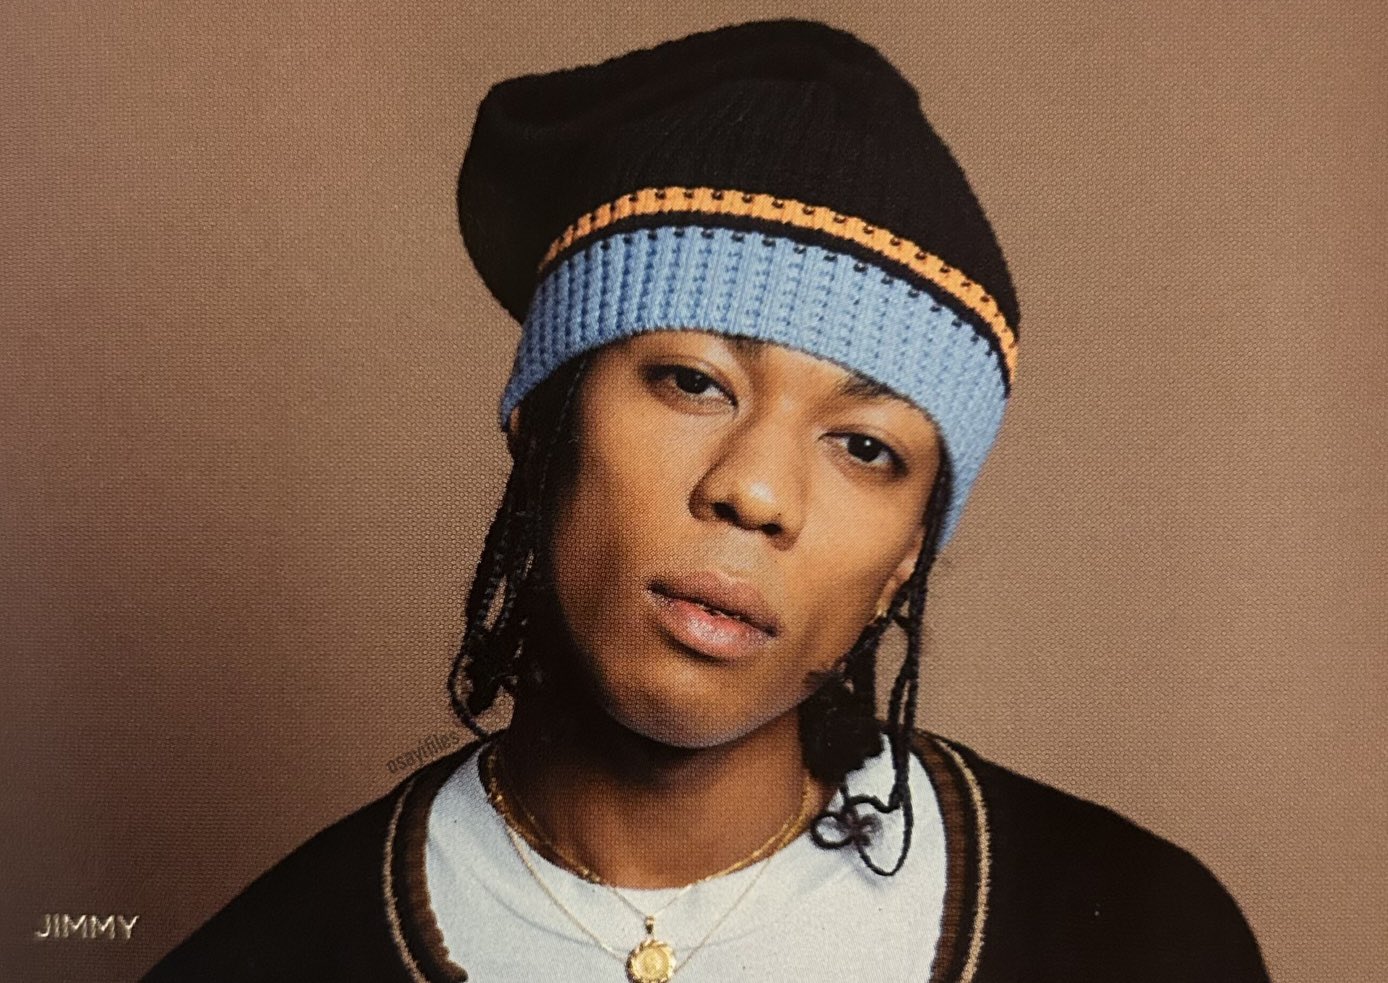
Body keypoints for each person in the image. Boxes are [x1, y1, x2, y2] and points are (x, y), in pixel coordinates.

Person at [143, 19, 1270, 983]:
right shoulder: (273, 952)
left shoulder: (1142, 934)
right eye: (693, 381)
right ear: (543, 419)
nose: (756, 490)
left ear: (905, 558)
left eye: (864, 446)